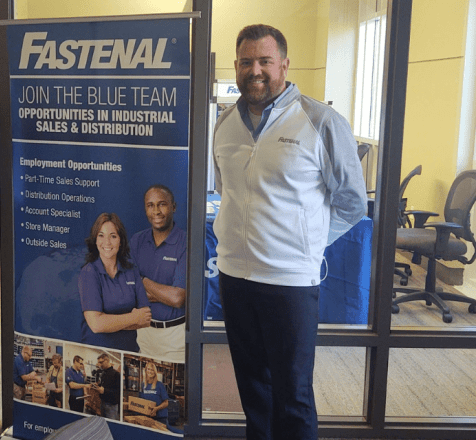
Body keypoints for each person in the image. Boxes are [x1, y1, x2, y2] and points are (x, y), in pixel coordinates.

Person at [212, 24, 367, 440]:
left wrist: (306, 242)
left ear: (284, 63)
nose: (255, 70)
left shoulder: (320, 121)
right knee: (252, 390)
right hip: (234, 276)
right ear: (236, 67)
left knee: (293, 395)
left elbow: (353, 202)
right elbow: (228, 191)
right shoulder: (225, 124)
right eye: (247, 62)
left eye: (265, 61)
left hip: (290, 282)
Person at [78, 213, 152, 352]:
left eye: (113, 236)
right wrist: (133, 318)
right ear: (95, 239)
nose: (107, 242)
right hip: (97, 354)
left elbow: (146, 318)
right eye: (101, 235)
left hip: (129, 353)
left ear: (120, 240)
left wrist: (110, 323)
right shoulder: (89, 273)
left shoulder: (132, 271)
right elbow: (96, 325)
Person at [130, 185, 186, 362]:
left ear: (173, 207)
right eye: (150, 205)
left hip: (176, 336)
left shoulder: (186, 242)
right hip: (144, 333)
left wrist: (143, 281)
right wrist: (163, 293)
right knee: (146, 387)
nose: (156, 211)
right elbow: (127, 289)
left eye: (162, 204)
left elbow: (178, 298)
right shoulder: (137, 240)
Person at [92, 353, 120, 420]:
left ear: (107, 360)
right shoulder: (104, 373)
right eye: (98, 363)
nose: (99, 365)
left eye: (101, 362)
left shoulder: (116, 374)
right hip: (103, 403)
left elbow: (118, 393)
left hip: (111, 406)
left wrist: (104, 391)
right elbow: (104, 385)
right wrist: (98, 385)